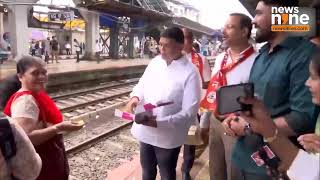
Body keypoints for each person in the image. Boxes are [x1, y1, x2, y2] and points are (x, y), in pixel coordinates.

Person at [222, 1, 319, 179]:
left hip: (271, 169)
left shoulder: (305, 54)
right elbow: (251, 103)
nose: (253, 21)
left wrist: (249, 127)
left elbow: (302, 118)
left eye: (258, 14)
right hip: (241, 157)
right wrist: (235, 118)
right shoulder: (263, 54)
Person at [123, 27, 201, 180]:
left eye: (167, 45)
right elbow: (142, 84)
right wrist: (135, 98)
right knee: (147, 170)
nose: (161, 49)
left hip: (168, 134)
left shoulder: (190, 72)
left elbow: (189, 112)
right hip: (145, 130)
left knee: (166, 173)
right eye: (160, 44)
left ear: (180, 46)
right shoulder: (155, 63)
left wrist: (160, 122)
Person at [238, 49, 320, 180]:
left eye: (314, 77)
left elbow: (313, 172)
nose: (307, 83)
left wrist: (265, 127)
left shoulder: (302, 53)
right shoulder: (261, 56)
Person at [0, 56, 83, 180]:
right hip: (41, 168)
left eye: (44, 72)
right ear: (20, 76)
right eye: (35, 73)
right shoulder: (25, 101)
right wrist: (58, 128)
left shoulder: (34, 94)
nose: (42, 77)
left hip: (45, 164)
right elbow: (26, 139)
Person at [200, 13, 257, 180]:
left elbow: (257, 99)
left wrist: (239, 121)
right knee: (216, 171)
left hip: (235, 126)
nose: (223, 31)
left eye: (229, 27)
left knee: (235, 173)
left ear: (244, 31)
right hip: (215, 122)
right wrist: (205, 121)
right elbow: (212, 91)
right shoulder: (220, 59)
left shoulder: (256, 61)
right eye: (224, 26)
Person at [181, 28, 212, 180]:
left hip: (194, 109)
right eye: (180, 38)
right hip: (172, 108)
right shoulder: (168, 58)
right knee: (171, 141)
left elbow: (208, 85)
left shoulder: (201, 60)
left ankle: (186, 170)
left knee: (190, 142)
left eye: (186, 38)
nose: (182, 41)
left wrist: (202, 108)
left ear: (191, 40)